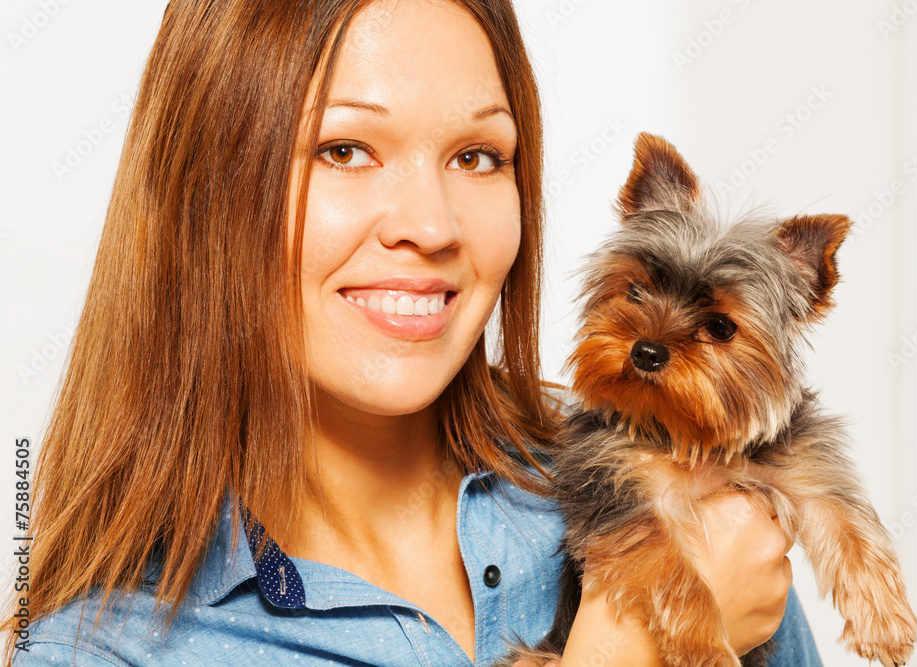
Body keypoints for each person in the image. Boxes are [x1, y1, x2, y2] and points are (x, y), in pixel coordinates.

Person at [3, 0, 822, 665]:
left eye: (476, 157)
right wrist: (625, 643)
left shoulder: (673, 472)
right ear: (205, 192)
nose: (431, 226)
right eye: (345, 149)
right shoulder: (100, 649)